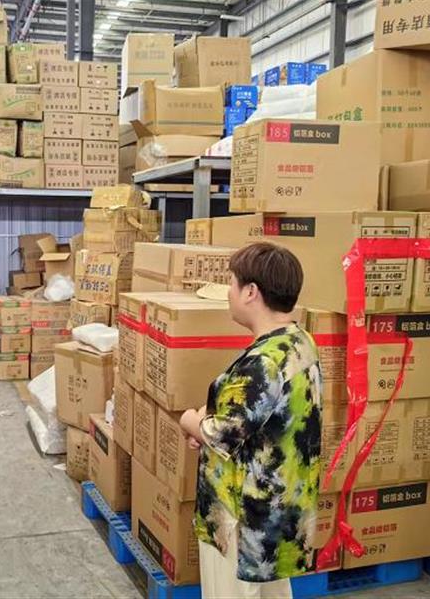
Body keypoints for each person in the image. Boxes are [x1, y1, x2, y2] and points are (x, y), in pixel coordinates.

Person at [180, 242, 322, 599]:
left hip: (241, 521)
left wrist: (191, 421)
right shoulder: (299, 342)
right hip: (279, 516)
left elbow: (220, 435)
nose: (228, 293)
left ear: (250, 292)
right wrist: (212, 420)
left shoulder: (263, 362)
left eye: (231, 283)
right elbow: (260, 414)